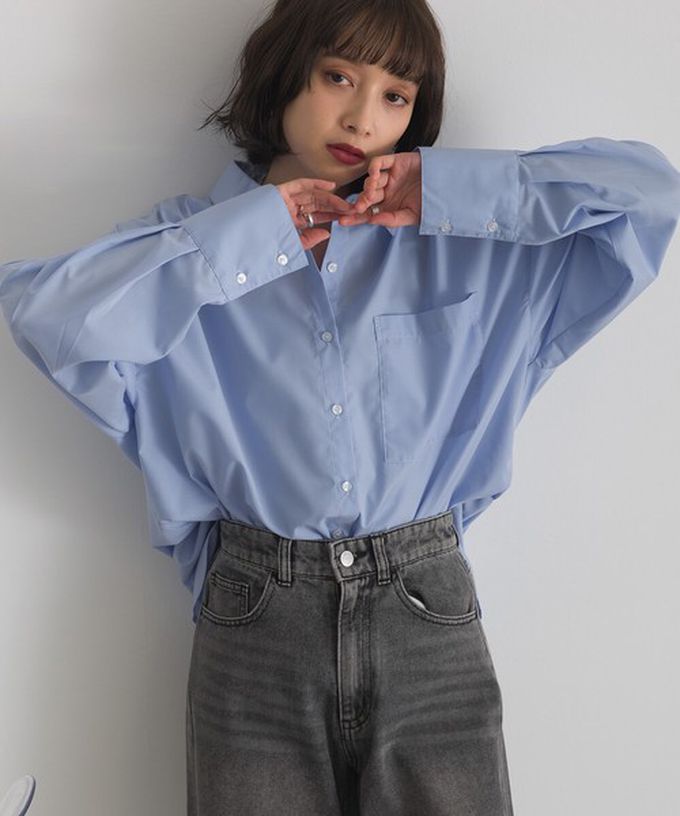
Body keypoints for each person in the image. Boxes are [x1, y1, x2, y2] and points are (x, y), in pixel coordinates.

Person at [1, 0, 680, 813]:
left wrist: (450, 190)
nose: (362, 118)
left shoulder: (470, 251)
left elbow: (650, 196)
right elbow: (44, 315)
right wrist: (250, 239)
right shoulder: (188, 248)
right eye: (337, 77)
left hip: (425, 610)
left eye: (396, 95)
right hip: (255, 619)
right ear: (286, 72)